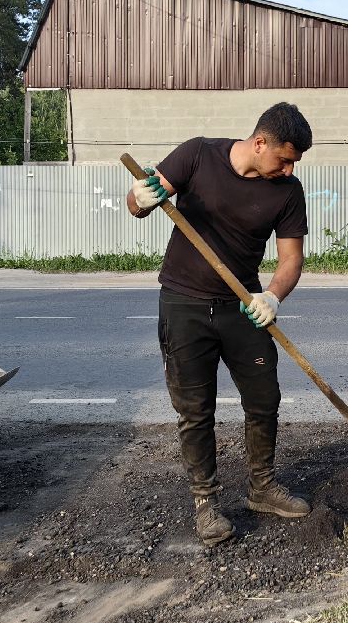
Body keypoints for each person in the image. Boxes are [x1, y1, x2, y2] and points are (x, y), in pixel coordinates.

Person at [127, 103, 313, 547]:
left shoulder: (288, 191)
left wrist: (273, 296)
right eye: (284, 159)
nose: (288, 170)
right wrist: (141, 198)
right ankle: (205, 504)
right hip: (183, 304)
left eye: (294, 163)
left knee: (264, 398)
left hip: (242, 305)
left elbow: (291, 259)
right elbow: (138, 204)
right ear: (260, 142)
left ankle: (262, 488)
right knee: (195, 410)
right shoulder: (197, 155)